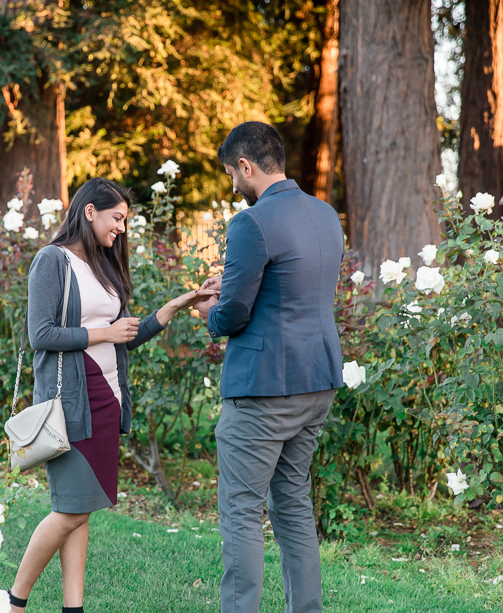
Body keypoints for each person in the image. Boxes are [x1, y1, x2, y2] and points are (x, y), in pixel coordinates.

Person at [8, 177, 217, 613]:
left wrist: (176, 305)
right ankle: (14, 604)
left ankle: (73, 608)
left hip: (106, 402)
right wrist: (103, 332)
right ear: (90, 212)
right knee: (68, 511)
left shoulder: (103, 267)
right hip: (69, 405)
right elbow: (40, 334)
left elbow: (124, 337)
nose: (122, 227)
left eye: (126, 220)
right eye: (117, 217)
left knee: (80, 509)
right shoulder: (53, 260)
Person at [195, 122, 344, 613]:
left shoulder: (251, 223)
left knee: (241, 510)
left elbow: (233, 314)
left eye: (231, 174)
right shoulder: (326, 216)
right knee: (294, 505)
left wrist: (208, 311)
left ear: (246, 166)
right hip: (317, 379)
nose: (232, 185)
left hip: (264, 390)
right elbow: (292, 291)